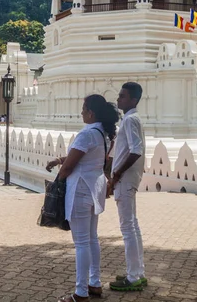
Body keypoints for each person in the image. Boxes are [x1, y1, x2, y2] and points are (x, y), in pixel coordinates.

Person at [46, 94, 119, 302]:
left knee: (81, 243)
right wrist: (60, 160)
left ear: (91, 112)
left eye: (83, 109)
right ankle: (94, 284)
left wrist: (58, 180)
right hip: (93, 188)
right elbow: (85, 159)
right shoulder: (104, 134)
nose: (81, 113)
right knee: (91, 238)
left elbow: (70, 166)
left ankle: (80, 292)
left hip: (80, 190)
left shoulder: (87, 134)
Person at [107, 83, 147, 292]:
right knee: (133, 225)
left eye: (122, 96)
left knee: (127, 228)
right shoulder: (132, 119)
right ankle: (137, 272)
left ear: (133, 100)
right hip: (130, 178)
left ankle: (133, 277)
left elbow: (136, 150)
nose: (118, 100)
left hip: (126, 179)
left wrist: (118, 172)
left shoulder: (130, 119)